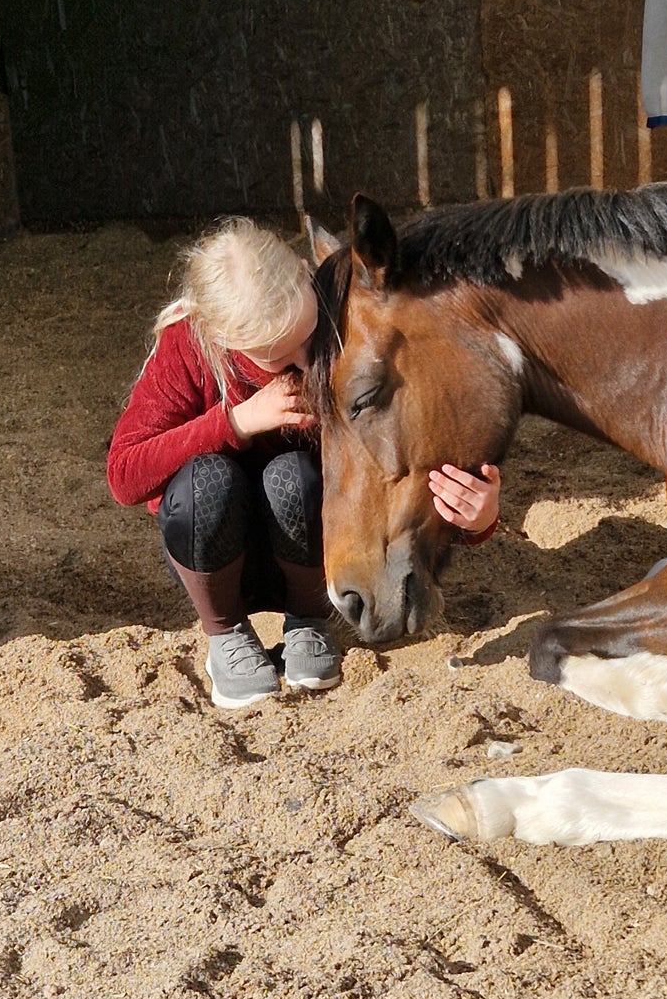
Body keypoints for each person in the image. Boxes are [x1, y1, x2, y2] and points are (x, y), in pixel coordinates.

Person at [107, 216, 501, 709]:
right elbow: (124, 476)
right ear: (224, 336)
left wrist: (478, 520)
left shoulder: (338, 329)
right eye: (277, 354)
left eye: (308, 336)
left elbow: (392, 458)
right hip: (217, 566)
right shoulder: (189, 346)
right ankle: (225, 634)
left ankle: (307, 623)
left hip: (314, 560)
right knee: (207, 481)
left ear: (303, 275)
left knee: (293, 474)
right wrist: (235, 422)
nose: (303, 359)